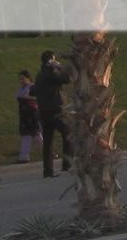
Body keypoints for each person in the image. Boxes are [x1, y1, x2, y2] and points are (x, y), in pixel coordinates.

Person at [33, 49, 71, 178]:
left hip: (44, 111)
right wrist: (59, 67)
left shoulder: (40, 73)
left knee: (48, 141)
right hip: (56, 110)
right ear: (50, 61)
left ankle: (47, 170)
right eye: (54, 60)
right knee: (68, 135)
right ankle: (67, 165)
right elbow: (67, 78)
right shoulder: (51, 72)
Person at [15, 70, 40, 163]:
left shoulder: (32, 87)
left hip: (32, 114)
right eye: (20, 79)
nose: (21, 80)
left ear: (28, 78)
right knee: (26, 136)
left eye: (23, 78)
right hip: (24, 115)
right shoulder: (21, 88)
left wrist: (28, 98)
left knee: (37, 135)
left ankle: (51, 153)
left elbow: (39, 98)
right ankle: (24, 157)